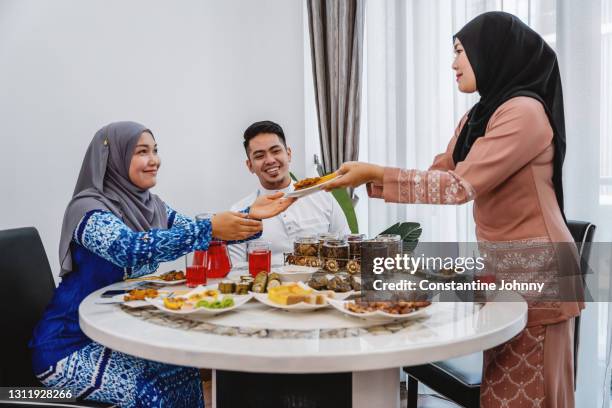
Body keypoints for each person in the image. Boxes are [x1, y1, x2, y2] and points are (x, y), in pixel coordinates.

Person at [324, 12, 582, 408]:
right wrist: (370, 176)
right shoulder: (480, 115)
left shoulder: (524, 113)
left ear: (491, 52)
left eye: (460, 51)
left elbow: (459, 187)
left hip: (539, 272)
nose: (453, 63)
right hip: (505, 271)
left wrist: (376, 173)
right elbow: (442, 174)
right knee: (500, 392)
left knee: (531, 395)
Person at [29, 122, 294, 407]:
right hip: (68, 346)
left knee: (184, 369)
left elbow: (197, 231)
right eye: (142, 152)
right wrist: (209, 229)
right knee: (153, 390)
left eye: (155, 150)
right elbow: (129, 249)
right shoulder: (89, 209)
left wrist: (251, 215)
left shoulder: (151, 205)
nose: (154, 160)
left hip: (117, 333)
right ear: (113, 158)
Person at [229, 120, 350, 264]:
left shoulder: (321, 196)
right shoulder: (240, 212)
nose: (270, 160)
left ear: (288, 154)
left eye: (276, 151)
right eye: (259, 156)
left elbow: (346, 247)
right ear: (250, 166)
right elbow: (236, 271)